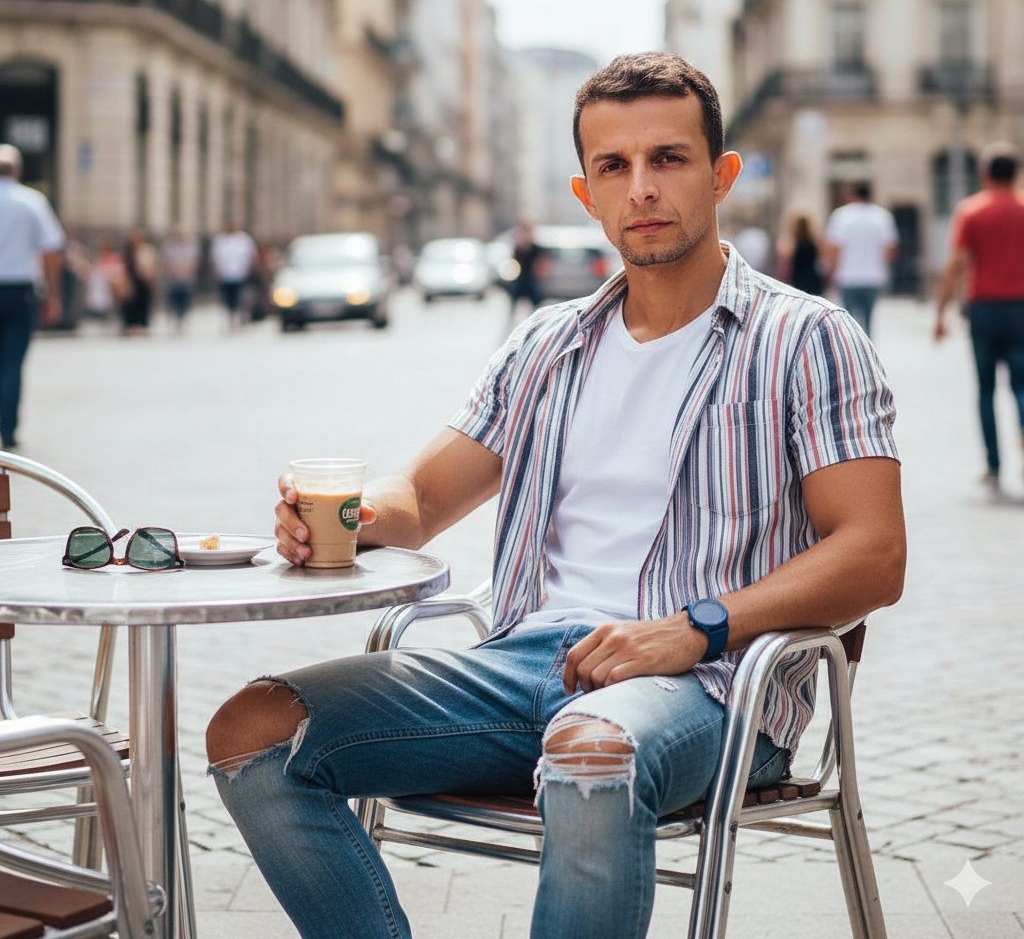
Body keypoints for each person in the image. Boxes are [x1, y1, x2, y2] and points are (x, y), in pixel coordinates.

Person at [206, 53, 906, 939]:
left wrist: (694, 625)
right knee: (254, 733)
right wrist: (346, 518)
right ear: (587, 194)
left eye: (669, 159)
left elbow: (874, 555)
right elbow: (419, 501)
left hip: (710, 681)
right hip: (524, 666)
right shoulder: (549, 343)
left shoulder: (806, 339)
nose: (642, 188)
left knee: (593, 751)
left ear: (722, 175)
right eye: (615, 167)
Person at [934, 142, 1024, 490]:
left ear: (984, 174)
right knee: (1021, 383)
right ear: (1016, 173)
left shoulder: (972, 211)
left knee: (985, 388)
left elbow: (957, 264)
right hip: (1021, 308)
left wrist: (940, 312)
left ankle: (993, 465)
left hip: (984, 308)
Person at [0, 143, 64, 450]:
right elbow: (51, 251)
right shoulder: (32, 202)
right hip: (19, 292)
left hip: (17, 289)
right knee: (12, 364)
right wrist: (53, 295)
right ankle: (8, 430)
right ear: (18, 171)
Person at [822, 183, 898, 338]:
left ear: (852, 194)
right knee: (868, 323)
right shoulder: (882, 216)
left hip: (848, 277)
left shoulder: (841, 216)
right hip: (873, 277)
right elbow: (890, 250)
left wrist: (830, 273)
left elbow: (833, 249)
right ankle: (867, 357)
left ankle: (851, 358)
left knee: (848, 324)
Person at [211, 221, 257, 328]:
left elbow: (251, 254)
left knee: (240, 296)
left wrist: (249, 267)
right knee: (228, 297)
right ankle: (231, 315)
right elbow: (215, 256)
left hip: (241, 273)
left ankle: (241, 314)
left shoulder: (244, 239)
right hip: (225, 274)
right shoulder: (220, 240)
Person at [777, 211, 825, 296]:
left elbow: (784, 257)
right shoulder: (814, 241)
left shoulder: (791, 241)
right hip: (812, 277)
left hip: (797, 276)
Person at [119, 229, 157, 334]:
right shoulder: (129, 251)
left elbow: (151, 265)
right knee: (131, 302)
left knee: (143, 302)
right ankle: (131, 323)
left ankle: (142, 324)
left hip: (144, 280)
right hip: (132, 280)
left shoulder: (147, 249)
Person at [161, 226, 199, 329]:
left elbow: (193, 261)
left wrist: (189, 272)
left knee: (185, 297)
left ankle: (182, 316)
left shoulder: (190, 246)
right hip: (173, 276)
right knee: (174, 297)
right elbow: (166, 261)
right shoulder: (169, 246)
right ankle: (175, 316)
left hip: (186, 276)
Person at [507, 221, 544, 322]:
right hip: (520, 279)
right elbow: (513, 262)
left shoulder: (536, 248)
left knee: (535, 306)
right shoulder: (518, 247)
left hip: (531, 279)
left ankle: (536, 322)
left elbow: (541, 263)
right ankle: (510, 324)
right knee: (513, 305)